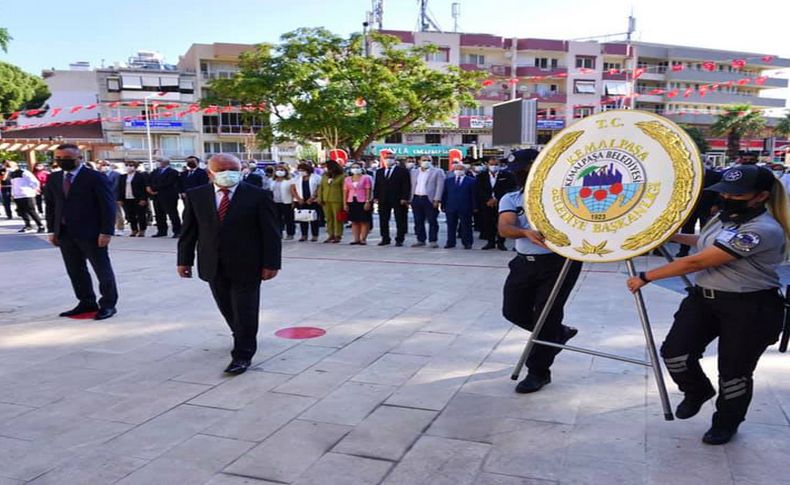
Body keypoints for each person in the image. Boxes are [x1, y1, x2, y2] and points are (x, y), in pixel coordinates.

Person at [627, 164, 790, 445]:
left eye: (735, 194)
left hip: (749, 307)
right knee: (675, 353)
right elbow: (704, 244)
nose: (726, 198)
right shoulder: (724, 219)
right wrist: (670, 237)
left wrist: (646, 276)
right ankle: (698, 391)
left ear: (761, 196)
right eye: (725, 191)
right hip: (704, 300)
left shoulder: (762, 229)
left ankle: (726, 423)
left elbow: (699, 261)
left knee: (734, 372)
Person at [177, 153, 281, 375]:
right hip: (212, 263)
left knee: (245, 309)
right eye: (222, 169)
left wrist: (272, 263)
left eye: (233, 168)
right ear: (210, 173)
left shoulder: (258, 195)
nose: (228, 173)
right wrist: (184, 260)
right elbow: (189, 231)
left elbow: (271, 234)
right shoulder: (196, 196)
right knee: (226, 307)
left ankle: (243, 354)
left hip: (248, 263)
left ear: (242, 169)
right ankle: (241, 334)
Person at [499, 149, 582, 394]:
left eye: (523, 170)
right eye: (516, 171)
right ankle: (558, 334)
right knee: (512, 310)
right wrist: (524, 232)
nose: (519, 175)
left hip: (559, 263)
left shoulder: (563, 196)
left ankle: (538, 372)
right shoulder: (512, 198)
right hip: (524, 262)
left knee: (546, 315)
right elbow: (504, 227)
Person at [44, 144, 118, 321]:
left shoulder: (95, 177)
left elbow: (108, 206)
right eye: (58, 159)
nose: (62, 162)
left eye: (67, 159)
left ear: (79, 158)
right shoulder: (54, 178)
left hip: (91, 232)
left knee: (102, 269)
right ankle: (86, 301)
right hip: (65, 232)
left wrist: (106, 231)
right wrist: (52, 230)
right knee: (75, 270)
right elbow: (51, 206)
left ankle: (108, 304)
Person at [676, 168, 723, 257]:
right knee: (687, 227)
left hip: (708, 206)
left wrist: (716, 205)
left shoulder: (715, 175)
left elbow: (719, 192)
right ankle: (683, 251)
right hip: (691, 206)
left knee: (706, 228)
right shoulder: (688, 173)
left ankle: (705, 251)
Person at [477, 156, 517, 250]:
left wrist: (497, 199)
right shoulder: (481, 176)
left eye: (496, 164)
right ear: (487, 165)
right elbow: (479, 189)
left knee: (501, 222)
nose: (494, 166)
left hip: (502, 203)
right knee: (488, 223)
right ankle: (490, 242)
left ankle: (501, 242)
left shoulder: (507, 175)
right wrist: (488, 199)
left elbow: (510, 188)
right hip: (487, 203)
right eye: (491, 164)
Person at [373, 153, 411, 246]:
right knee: (383, 219)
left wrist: (404, 197)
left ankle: (399, 239)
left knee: (400, 219)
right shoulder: (380, 171)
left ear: (395, 160)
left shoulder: (402, 171)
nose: (388, 160)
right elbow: (377, 185)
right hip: (383, 199)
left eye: (390, 158)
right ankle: (385, 238)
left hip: (398, 199)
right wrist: (376, 197)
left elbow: (406, 185)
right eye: (386, 158)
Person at [409, 156, 445, 248]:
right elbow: (411, 185)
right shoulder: (414, 172)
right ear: (419, 161)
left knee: (432, 220)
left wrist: (437, 199)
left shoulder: (438, 171)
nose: (426, 162)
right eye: (424, 160)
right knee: (418, 221)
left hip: (429, 199)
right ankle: (420, 239)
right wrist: (410, 199)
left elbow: (440, 186)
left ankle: (433, 240)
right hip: (416, 198)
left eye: (429, 160)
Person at [442, 163, 477, 249]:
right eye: (456, 169)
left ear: (464, 170)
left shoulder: (471, 181)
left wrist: (475, 207)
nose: (458, 171)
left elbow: (474, 195)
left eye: (460, 169)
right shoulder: (448, 181)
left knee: (466, 226)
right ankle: (450, 242)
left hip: (465, 207)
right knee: (451, 226)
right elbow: (445, 194)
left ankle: (467, 242)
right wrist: (443, 205)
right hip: (451, 206)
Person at [5, 161, 45, 233]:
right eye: (7, 166)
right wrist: (13, 194)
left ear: (15, 165)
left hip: (27, 194)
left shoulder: (24, 172)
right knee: (22, 211)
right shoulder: (12, 174)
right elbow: (13, 185)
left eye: (9, 166)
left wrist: (35, 189)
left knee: (31, 210)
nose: (8, 168)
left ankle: (40, 225)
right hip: (17, 195)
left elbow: (33, 181)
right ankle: (28, 225)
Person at [146, 157, 182, 238]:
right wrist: (149, 187)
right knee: (159, 214)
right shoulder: (155, 171)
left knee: (172, 214)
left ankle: (177, 231)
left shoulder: (173, 172)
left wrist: (155, 188)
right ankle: (161, 231)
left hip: (168, 196)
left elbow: (168, 183)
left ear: (165, 162)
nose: (157, 163)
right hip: (156, 196)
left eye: (159, 161)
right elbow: (149, 180)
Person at [344, 161, 373, 245]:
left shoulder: (366, 178)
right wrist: (345, 203)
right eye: (353, 168)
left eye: (357, 167)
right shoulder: (347, 179)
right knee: (354, 221)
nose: (355, 169)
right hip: (352, 201)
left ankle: (363, 238)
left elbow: (368, 190)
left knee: (364, 220)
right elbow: (345, 192)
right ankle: (356, 239)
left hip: (363, 200)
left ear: (361, 168)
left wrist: (367, 201)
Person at [292, 162, 322, 242]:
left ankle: (315, 235)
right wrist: (298, 199)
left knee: (314, 218)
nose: (301, 171)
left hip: (312, 201)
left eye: (303, 170)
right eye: (299, 170)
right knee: (302, 218)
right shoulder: (297, 178)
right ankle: (304, 235)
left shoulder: (316, 177)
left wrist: (312, 198)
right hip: (301, 201)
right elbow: (293, 189)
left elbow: (318, 188)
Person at [118, 161, 149, 237]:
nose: (128, 167)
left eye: (131, 165)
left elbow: (144, 188)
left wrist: (143, 199)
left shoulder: (141, 176)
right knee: (130, 215)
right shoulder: (123, 176)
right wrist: (119, 199)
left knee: (141, 215)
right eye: (127, 165)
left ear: (135, 167)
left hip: (138, 198)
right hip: (127, 198)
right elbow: (120, 188)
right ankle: (134, 230)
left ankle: (142, 230)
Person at [317, 160, 345, 243]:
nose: (325, 168)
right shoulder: (324, 176)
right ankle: (330, 234)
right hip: (326, 199)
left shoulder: (342, 176)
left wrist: (344, 202)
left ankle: (338, 234)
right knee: (328, 218)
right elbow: (321, 187)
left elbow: (343, 189)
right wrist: (320, 198)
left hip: (337, 199)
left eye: (326, 167)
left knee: (337, 218)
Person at [99, 161, 125, 236]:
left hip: (113, 196)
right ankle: (110, 228)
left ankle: (120, 228)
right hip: (102, 197)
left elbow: (116, 186)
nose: (104, 166)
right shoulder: (100, 174)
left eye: (106, 165)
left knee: (117, 213)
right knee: (106, 214)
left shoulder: (116, 174)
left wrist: (108, 194)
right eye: (102, 165)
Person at [271, 164, 296, 240]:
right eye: (278, 170)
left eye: (282, 170)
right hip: (275, 202)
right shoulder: (272, 181)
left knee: (289, 219)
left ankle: (290, 234)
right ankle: (279, 233)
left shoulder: (290, 180)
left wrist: (293, 201)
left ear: (286, 171)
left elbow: (293, 192)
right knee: (277, 219)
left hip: (287, 202)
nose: (279, 171)